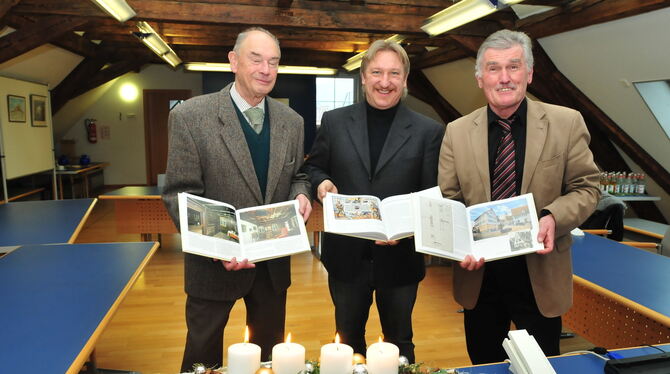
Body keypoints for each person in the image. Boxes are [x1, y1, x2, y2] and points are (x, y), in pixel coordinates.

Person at [437, 29, 600, 364]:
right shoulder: (457, 131)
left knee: (541, 365)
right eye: (494, 69)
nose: (504, 78)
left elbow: (587, 186)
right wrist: (457, 244)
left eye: (514, 67)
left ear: (529, 73)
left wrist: (554, 215)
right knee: (484, 363)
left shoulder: (566, 122)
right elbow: (450, 199)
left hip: (541, 275)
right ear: (480, 78)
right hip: (480, 277)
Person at [161, 27, 311, 371]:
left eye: (273, 62)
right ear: (233, 62)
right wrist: (219, 248)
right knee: (202, 355)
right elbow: (179, 193)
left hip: (272, 263)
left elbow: (298, 176)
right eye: (256, 59)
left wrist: (301, 195)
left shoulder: (292, 122)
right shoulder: (190, 117)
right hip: (212, 264)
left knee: (270, 356)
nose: (265, 69)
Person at [301, 40, 445, 362]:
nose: (385, 81)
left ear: (405, 79)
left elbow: (432, 193)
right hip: (345, 257)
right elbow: (313, 166)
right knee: (347, 343)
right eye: (377, 72)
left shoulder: (429, 131)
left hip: (401, 260)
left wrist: (406, 229)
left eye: (394, 73)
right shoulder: (335, 122)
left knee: (399, 345)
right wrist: (321, 183)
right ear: (363, 76)